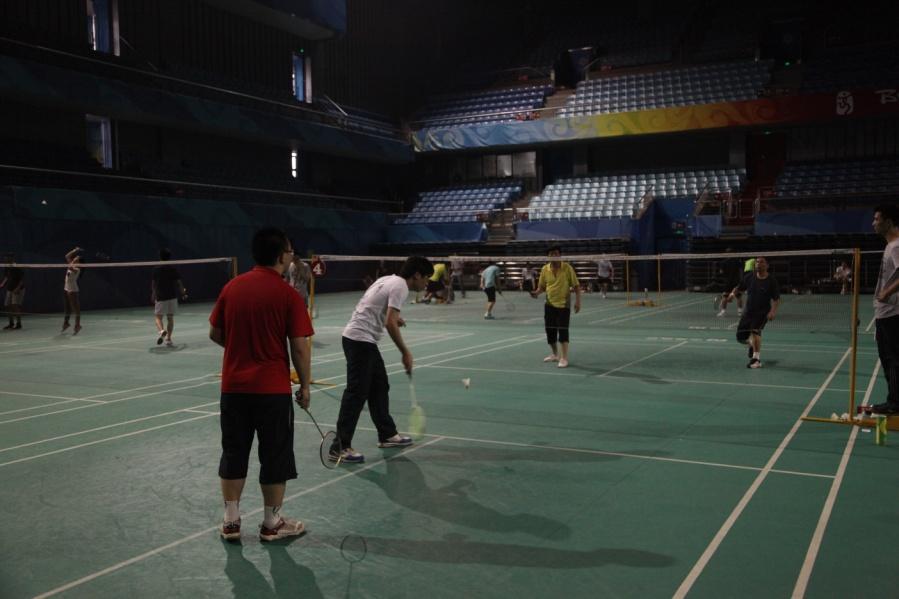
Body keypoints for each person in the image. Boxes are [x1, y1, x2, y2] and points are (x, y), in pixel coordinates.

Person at [209, 228, 314, 542]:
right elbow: (299, 347)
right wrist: (305, 386)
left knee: (233, 452)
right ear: (281, 255)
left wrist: (241, 349)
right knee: (274, 456)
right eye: (290, 250)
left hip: (234, 390)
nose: (292, 255)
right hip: (272, 392)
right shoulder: (288, 295)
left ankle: (230, 521)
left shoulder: (232, 287)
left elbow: (215, 334)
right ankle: (272, 523)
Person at [331, 256, 434, 464]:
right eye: (426, 278)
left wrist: (396, 318)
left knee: (379, 386)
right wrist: (405, 352)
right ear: (416, 275)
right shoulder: (401, 286)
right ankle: (339, 446)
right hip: (360, 340)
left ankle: (387, 434)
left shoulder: (388, 279)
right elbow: (389, 323)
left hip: (360, 339)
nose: (427, 283)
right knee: (356, 393)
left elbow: (373, 305)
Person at [530, 246, 581, 368]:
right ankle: (555, 354)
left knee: (563, 331)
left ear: (560, 255)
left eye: (556, 253)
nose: (554, 256)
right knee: (550, 331)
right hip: (549, 304)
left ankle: (564, 358)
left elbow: (576, 286)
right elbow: (542, 287)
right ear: (548, 256)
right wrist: (536, 293)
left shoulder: (567, 268)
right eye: (551, 254)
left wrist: (578, 302)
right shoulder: (544, 269)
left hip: (563, 305)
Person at [870, 204, 899, 415]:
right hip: (885, 313)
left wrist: (887, 292)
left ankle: (895, 403)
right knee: (888, 358)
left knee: (892, 358)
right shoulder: (890, 246)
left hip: (892, 313)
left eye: (877, 219)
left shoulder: (896, 246)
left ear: (888, 222)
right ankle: (894, 400)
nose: (873, 223)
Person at [730, 256, 779, 369]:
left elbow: (776, 299)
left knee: (755, 332)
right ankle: (751, 345)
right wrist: (732, 295)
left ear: (767, 266)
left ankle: (756, 359)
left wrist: (772, 311)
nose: (758, 264)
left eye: (761, 262)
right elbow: (739, 288)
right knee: (740, 337)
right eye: (757, 262)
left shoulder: (771, 281)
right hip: (748, 312)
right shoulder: (749, 277)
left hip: (762, 312)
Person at [152, 248, 186, 347]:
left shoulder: (156, 269)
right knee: (170, 318)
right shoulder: (173, 268)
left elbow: (153, 283)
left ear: (160, 257)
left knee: (158, 317)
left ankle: (162, 331)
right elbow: (179, 283)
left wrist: (153, 294)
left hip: (161, 296)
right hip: (172, 296)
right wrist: (183, 293)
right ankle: (169, 339)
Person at [1, 255, 25, 330]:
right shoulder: (6, 267)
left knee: (15, 305)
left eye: (7, 258)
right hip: (10, 289)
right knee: (7, 306)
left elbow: (22, 279)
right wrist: (2, 284)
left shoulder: (17, 267)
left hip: (18, 289)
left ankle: (19, 324)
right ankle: (11, 323)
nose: (5, 259)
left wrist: (17, 288)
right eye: (5, 258)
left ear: (11, 259)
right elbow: (6, 277)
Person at [62, 247, 82, 334]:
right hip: (66, 288)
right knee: (67, 308)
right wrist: (75, 250)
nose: (75, 258)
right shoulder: (72, 264)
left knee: (76, 309)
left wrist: (73, 261)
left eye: (77, 259)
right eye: (75, 257)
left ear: (79, 263)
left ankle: (77, 325)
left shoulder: (77, 269)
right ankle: (66, 323)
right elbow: (67, 256)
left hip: (72, 290)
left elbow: (70, 268)